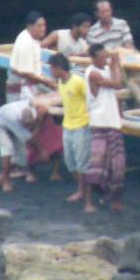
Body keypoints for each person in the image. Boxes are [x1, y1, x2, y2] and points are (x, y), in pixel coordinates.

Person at [85, 43, 126, 212]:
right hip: (99, 123)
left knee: (118, 165)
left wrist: (114, 64)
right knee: (95, 165)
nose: (105, 60)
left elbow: (116, 84)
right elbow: (118, 84)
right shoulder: (93, 73)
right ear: (93, 58)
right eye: (101, 58)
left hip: (112, 122)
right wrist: (115, 63)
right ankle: (88, 202)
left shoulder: (106, 69)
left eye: (105, 57)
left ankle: (115, 199)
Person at [49, 54, 92, 203]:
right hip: (68, 126)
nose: (51, 71)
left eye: (52, 68)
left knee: (82, 163)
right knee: (70, 162)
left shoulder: (78, 82)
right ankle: (82, 189)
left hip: (82, 126)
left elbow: (91, 100)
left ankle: (85, 195)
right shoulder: (61, 83)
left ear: (59, 68)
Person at [0, 97, 38, 192]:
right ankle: (5, 179)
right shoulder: (13, 118)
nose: (27, 127)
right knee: (7, 148)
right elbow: (28, 138)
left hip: (10, 119)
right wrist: (42, 150)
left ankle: (24, 169)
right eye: (25, 125)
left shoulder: (33, 112)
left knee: (21, 147)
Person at [8, 11, 55, 100]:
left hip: (31, 81)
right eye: (39, 26)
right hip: (21, 84)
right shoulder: (26, 42)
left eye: (44, 25)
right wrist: (46, 81)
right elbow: (25, 72)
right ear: (30, 26)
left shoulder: (34, 38)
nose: (43, 29)